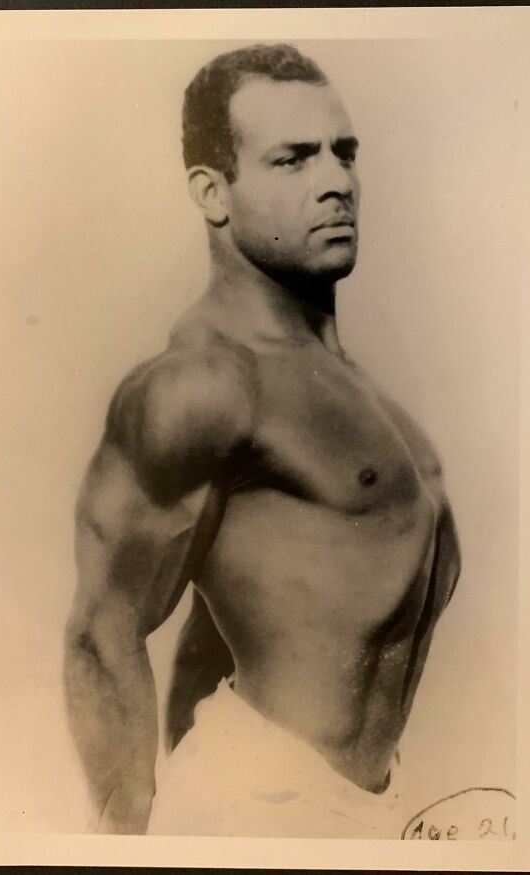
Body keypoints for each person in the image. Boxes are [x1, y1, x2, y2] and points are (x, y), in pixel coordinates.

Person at [64, 43, 461, 838]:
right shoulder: (201, 384)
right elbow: (103, 634)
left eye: (344, 153)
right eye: (292, 160)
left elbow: (220, 619)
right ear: (213, 193)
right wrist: (130, 851)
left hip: (366, 808)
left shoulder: (340, 379)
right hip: (264, 810)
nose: (336, 182)